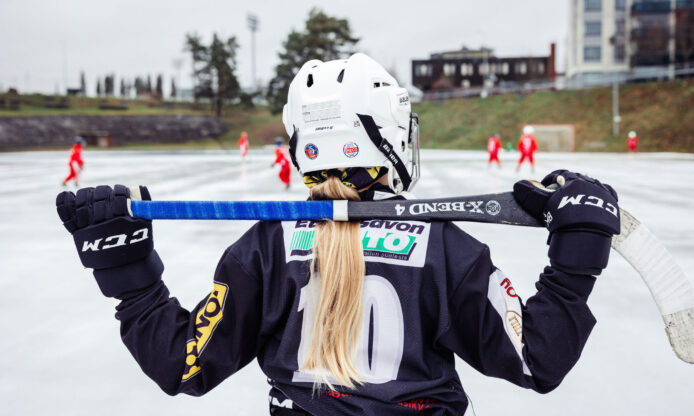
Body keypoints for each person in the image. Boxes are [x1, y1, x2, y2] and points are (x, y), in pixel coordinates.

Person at [55, 53, 620, 416]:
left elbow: (183, 363)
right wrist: (576, 263)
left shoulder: (265, 248)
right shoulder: (449, 250)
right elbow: (537, 359)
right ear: (391, 138)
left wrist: (128, 277)